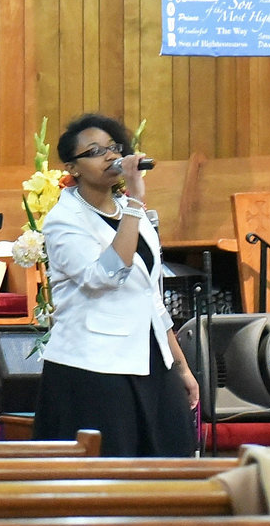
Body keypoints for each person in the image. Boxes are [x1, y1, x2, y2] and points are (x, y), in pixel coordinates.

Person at [32, 113, 201, 456]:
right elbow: (104, 277)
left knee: (171, 462)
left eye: (113, 148)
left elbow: (150, 294)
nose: (110, 157)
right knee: (108, 471)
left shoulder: (126, 210)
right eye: (95, 151)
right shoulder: (63, 221)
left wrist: (179, 364)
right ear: (73, 168)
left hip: (151, 358)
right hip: (93, 367)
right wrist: (136, 205)